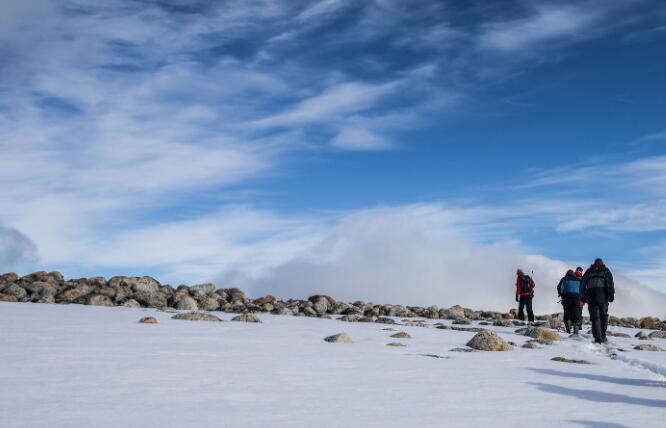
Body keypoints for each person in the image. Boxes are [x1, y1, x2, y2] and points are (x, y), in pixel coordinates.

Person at [581, 258, 615, 344]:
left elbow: (582, 284)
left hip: (591, 297)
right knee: (603, 317)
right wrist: (611, 295)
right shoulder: (606, 271)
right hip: (603, 297)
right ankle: (603, 336)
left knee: (595, 318)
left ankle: (598, 339)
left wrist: (583, 297)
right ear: (602, 263)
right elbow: (611, 284)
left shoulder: (589, 271)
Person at [557, 269, 583, 335]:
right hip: (576, 299)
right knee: (576, 313)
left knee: (567, 314)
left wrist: (561, 294)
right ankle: (576, 331)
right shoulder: (578, 280)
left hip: (566, 298)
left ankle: (568, 330)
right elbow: (582, 289)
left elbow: (560, 288)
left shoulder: (564, 279)